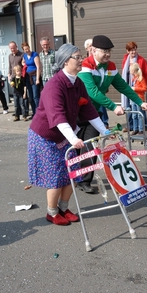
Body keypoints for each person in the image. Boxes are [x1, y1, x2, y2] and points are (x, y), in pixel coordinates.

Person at [28, 43, 109, 226]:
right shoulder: (54, 86)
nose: (81, 60)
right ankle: (52, 212)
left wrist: (104, 130)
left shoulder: (77, 82)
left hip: (66, 135)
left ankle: (64, 208)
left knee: (72, 173)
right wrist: (73, 138)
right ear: (65, 62)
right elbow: (57, 116)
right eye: (77, 57)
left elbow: (88, 109)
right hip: (45, 136)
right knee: (56, 177)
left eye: (81, 56)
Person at [77, 35, 147, 193]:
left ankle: (84, 180)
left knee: (91, 144)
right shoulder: (86, 65)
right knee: (75, 146)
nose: (108, 54)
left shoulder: (110, 67)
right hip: (75, 112)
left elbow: (123, 87)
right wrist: (113, 106)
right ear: (94, 50)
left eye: (109, 51)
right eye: (104, 51)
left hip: (93, 113)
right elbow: (93, 92)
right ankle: (74, 176)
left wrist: (139, 102)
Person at [121, 41, 147, 132]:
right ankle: (132, 126)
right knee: (129, 107)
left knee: (139, 109)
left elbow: (146, 73)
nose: (133, 52)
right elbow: (124, 72)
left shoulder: (141, 60)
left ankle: (143, 126)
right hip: (128, 84)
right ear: (127, 51)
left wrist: (139, 82)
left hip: (137, 84)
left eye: (134, 49)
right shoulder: (125, 59)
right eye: (131, 50)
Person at [84, 38, 109, 128]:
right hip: (89, 96)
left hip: (99, 90)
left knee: (102, 105)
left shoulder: (102, 62)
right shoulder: (84, 61)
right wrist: (114, 107)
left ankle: (104, 123)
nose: (91, 47)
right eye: (90, 46)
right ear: (87, 49)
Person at [22, 42, 42, 117]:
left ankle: (38, 113)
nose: (27, 50)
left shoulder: (35, 55)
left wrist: (37, 79)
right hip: (28, 77)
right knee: (30, 97)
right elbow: (23, 62)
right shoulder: (25, 56)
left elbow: (38, 67)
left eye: (27, 49)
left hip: (34, 76)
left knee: (36, 96)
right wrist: (23, 64)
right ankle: (34, 113)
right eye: (25, 49)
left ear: (29, 47)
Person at [129, 63, 147, 135]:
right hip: (133, 99)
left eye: (130, 70)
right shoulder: (134, 79)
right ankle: (135, 128)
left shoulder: (141, 78)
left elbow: (144, 88)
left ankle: (141, 129)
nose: (130, 71)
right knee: (134, 114)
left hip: (139, 99)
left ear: (133, 70)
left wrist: (135, 88)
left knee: (140, 114)